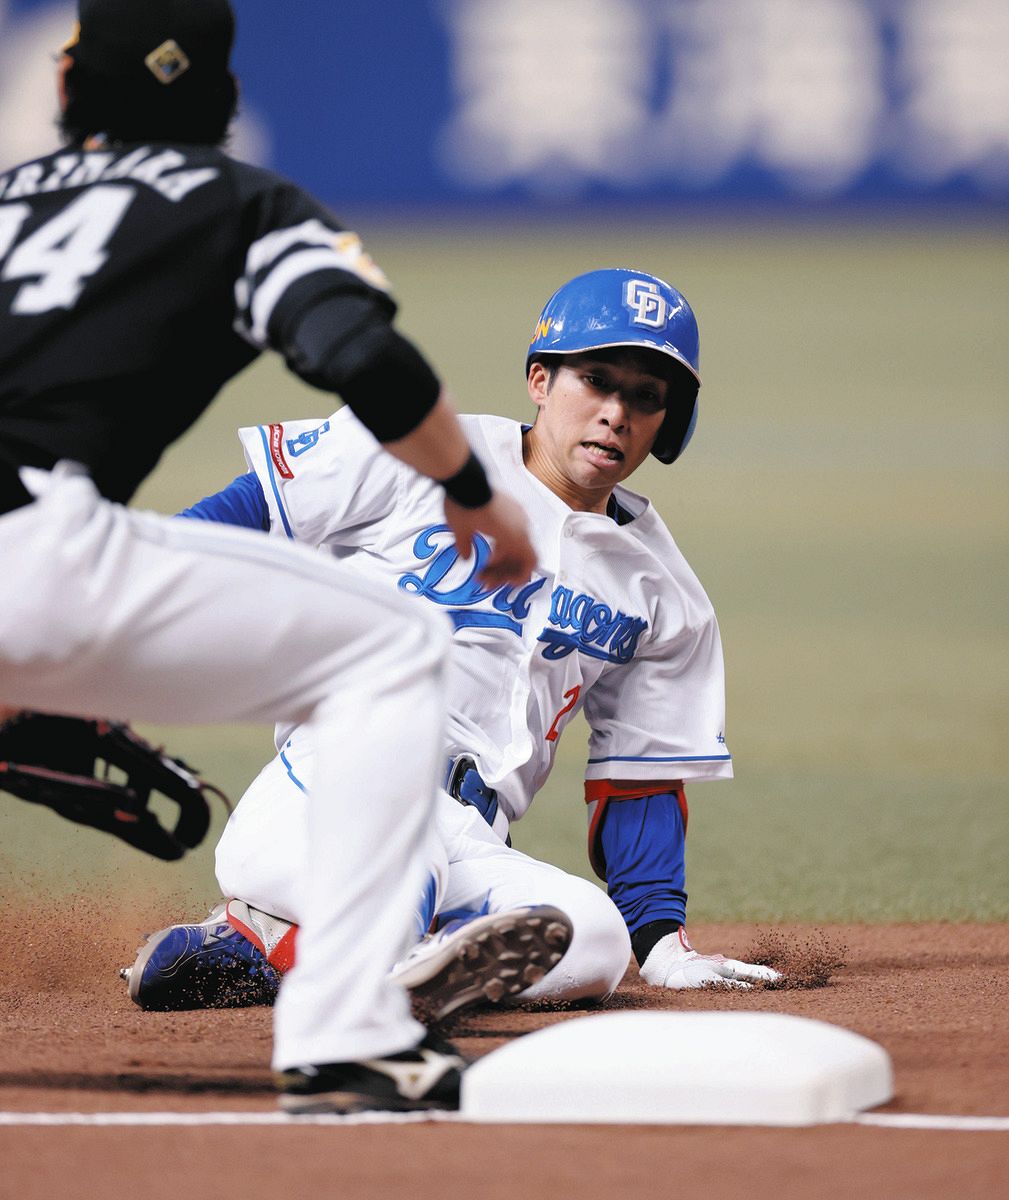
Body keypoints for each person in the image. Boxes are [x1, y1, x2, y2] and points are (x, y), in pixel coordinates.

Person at [0, 0, 539, 1116]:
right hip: (32, 545)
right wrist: (473, 491)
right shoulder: (233, 201)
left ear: (68, 87)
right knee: (391, 648)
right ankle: (344, 1040)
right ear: (220, 100)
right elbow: (357, 351)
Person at [121, 268, 781, 1016]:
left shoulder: (663, 591)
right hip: (330, 792)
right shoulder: (425, 450)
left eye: (645, 397)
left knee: (595, 941)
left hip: (470, 834)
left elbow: (639, 781)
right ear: (540, 380)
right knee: (408, 879)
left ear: (669, 422)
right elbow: (244, 514)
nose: (616, 413)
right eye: (595, 380)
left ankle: (275, 953)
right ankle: (360, 969)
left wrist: (661, 946)